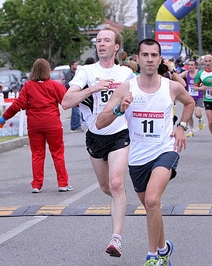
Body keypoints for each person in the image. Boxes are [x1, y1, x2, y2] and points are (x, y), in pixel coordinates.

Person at [95, 38, 195, 266]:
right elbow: (100, 122)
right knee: (151, 207)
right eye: (145, 55)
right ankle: (164, 248)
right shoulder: (126, 88)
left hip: (165, 151)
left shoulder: (171, 86)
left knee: (151, 201)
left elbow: (189, 103)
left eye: (154, 55)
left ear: (160, 59)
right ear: (137, 59)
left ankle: (152, 257)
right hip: (138, 158)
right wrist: (120, 110)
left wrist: (181, 127)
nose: (150, 59)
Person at [61, 26, 135, 258]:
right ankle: (119, 199)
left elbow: (138, 99)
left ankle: (116, 239)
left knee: (115, 184)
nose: (101, 44)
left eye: (106, 40)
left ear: (116, 47)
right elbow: (65, 102)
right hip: (95, 136)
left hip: (120, 134)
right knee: (107, 188)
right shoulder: (85, 71)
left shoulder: (125, 73)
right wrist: (92, 88)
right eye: (98, 41)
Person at [0, 58, 74, 192]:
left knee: (37, 154)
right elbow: (67, 101)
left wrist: (4, 117)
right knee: (57, 154)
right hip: (52, 124)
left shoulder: (28, 86)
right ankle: (63, 183)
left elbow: (18, 105)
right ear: (48, 70)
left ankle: (37, 185)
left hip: (34, 125)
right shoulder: (54, 85)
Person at [194, 54, 212, 148]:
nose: (207, 63)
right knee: (210, 121)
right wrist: (201, 87)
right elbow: (195, 87)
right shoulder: (200, 73)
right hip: (207, 99)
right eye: (206, 61)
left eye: (209, 61)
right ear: (204, 62)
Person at [178, 59, 204, 137]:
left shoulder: (199, 74)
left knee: (197, 113)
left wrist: (201, 87)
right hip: (189, 97)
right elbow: (177, 77)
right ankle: (192, 130)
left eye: (192, 65)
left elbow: (205, 82)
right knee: (188, 115)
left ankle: (200, 118)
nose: (190, 66)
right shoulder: (186, 73)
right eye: (189, 65)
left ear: (195, 66)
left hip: (199, 96)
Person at [64, 60, 83, 132]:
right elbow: (67, 84)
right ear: (71, 66)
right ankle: (75, 126)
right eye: (75, 65)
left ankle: (74, 125)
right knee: (76, 110)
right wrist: (73, 88)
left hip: (76, 93)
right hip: (73, 94)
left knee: (76, 110)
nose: (76, 66)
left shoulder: (74, 73)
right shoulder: (69, 74)